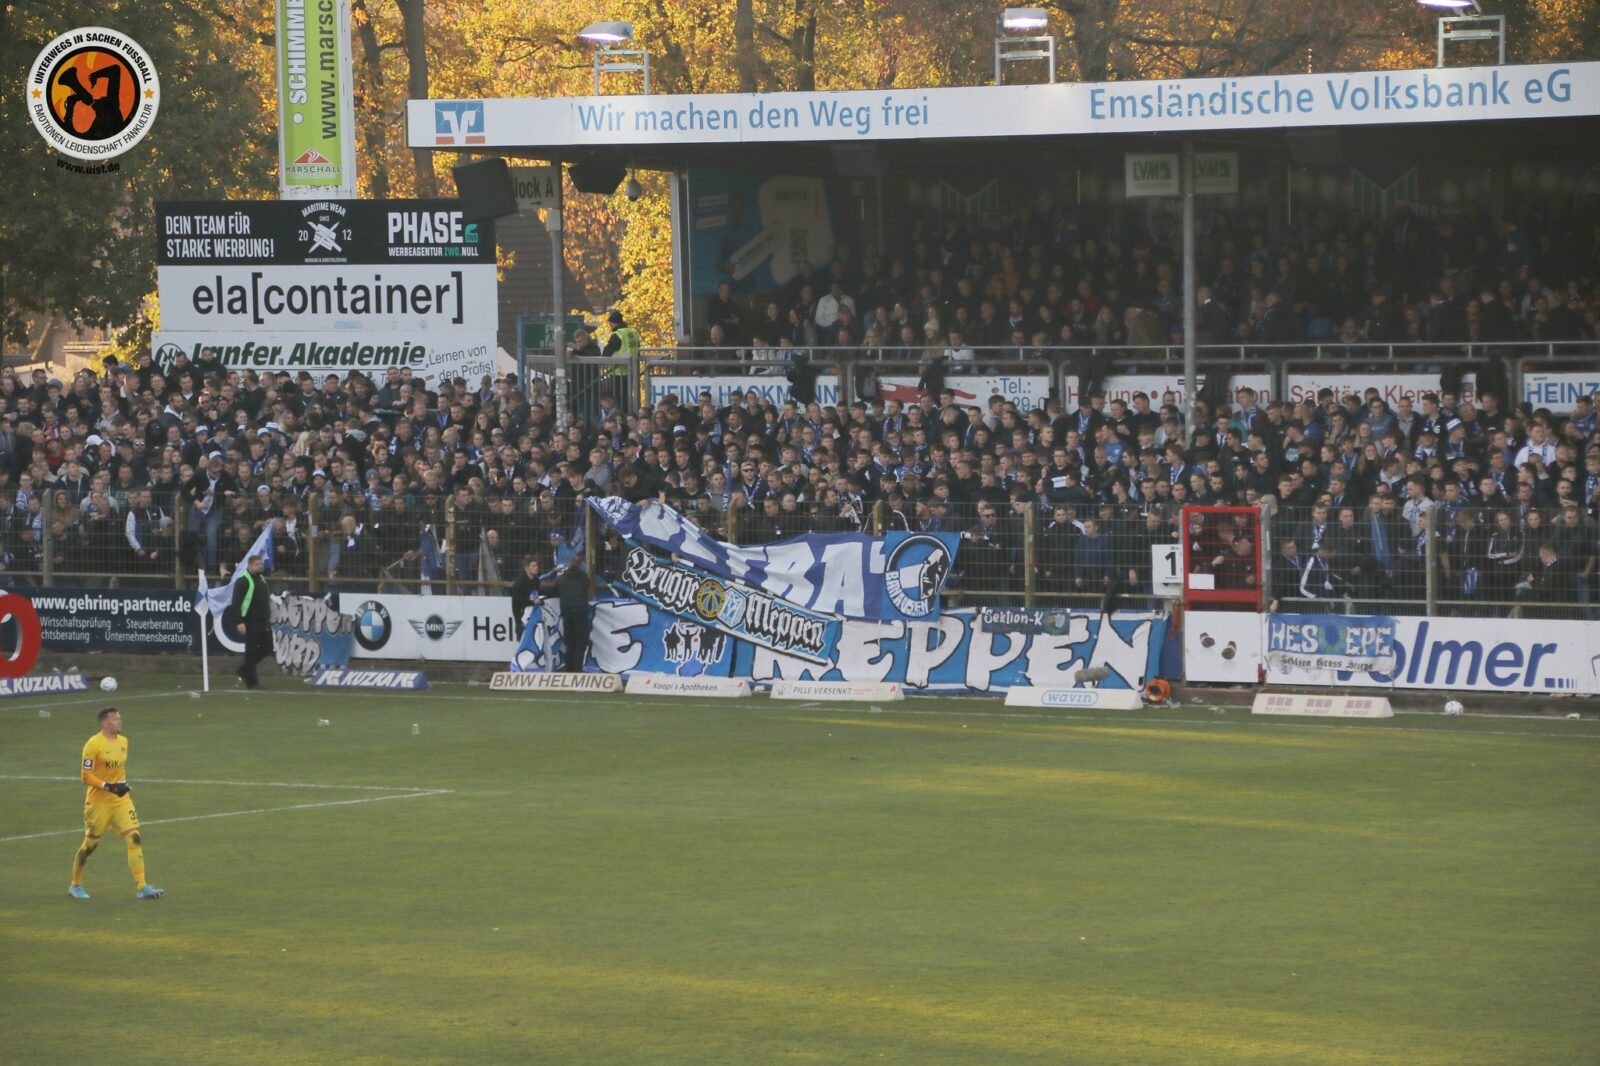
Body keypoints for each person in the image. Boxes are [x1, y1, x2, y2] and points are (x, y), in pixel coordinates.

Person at [69, 707, 164, 900]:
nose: (120, 722)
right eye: (116, 719)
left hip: (121, 801)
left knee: (134, 838)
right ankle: (75, 885)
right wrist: (109, 787)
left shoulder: (123, 742)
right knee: (90, 845)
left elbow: (118, 771)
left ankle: (142, 887)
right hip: (98, 804)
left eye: (120, 718)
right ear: (105, 723)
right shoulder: (93, 745)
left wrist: (120, 785)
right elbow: (85, 775)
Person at [231, 553, 273, 689]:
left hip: (263, 621)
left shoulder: (261, 579)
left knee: (268, 647)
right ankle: (252, 682)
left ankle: (244, 670)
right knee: (251, 651)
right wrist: (239, 622)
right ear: (249, 566)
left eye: (260, 564)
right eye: (256, 564)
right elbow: (236, 603)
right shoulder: (243, 581)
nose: (260, 566)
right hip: (250, 621)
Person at [543, 557, 591, 672]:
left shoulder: (561, 579)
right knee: (580, 642)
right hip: (580, 613)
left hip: (567, 613)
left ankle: (568, 668)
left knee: (569, 642)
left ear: (569, 564)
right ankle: (577, 669)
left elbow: (554, 591)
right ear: (580, 565)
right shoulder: (584, 578)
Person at [509, 555, 543, 626]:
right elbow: (517, 602)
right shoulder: (519, 583)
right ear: (527, 568)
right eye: (533, 566)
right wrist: (532, 602)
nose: (537, 567)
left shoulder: (536, 581)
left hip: (534, 617)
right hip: (522, 619)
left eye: (536, 565)